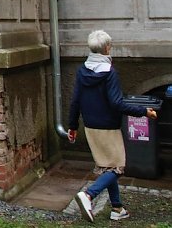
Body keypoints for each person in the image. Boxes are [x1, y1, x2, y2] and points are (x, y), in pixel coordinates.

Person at [68, 30, 158, 223]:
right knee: (117, 167)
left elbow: (75, 101)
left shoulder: (82, 70)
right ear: (107, 48)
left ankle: (117, 208)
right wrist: (144, 111)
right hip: (108, 126)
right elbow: (117, 103)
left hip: (90, 126)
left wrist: (72, 126)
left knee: (108, 166)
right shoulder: (109, 73)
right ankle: (89, 195)